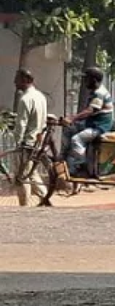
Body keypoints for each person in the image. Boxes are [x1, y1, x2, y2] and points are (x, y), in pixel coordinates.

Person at [63, 68, 115, 178]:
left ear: (94, 80)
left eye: (87, 79)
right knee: (69, 129)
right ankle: (65, 159)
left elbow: (90, 111)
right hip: (93, 123)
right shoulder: (95, 91)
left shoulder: (99, 93)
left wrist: (72, 118)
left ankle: (82, 166)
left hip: (100, 126)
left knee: (77, 139)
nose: (85, 81)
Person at [11, 69, 50, 206]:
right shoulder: (40, 96)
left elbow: (22, 123)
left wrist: (18, 142)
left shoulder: (25, 99)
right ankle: (45, 197)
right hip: (38, 141)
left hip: (26, 143)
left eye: (17, 79)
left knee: (22, 176)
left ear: (25, 80)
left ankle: (24, 206)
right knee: (31, 174)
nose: (15, 82)